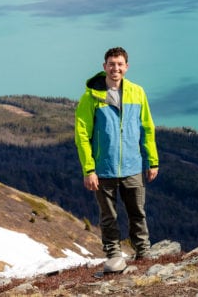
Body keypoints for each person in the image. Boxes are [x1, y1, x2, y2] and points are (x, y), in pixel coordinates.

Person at [74, 46, 159, 264]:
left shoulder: (137, 93)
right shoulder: (91, 97)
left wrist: (152, 160)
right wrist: (89, 169)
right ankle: (113, 256)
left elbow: (147, 128)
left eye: (120, 64)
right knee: (109, 217)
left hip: (133, 166)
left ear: (126, 67)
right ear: (104, 67)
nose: (116, 68)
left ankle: (143, 254)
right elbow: (82, 135)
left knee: (137, 213)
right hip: (103, 169)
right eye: (111, 64)